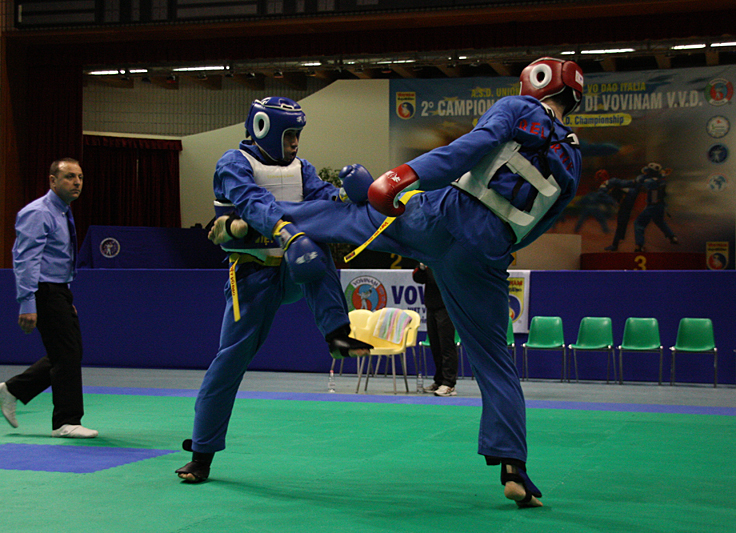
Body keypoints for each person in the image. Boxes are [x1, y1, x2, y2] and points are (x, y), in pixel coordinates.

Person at [212, 57, 584, 507]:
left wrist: (401, 176)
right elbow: (543, 224)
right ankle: (515, 468)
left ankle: (255, 227)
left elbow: (468, 148)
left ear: (535, 84)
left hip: (444, 217)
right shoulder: (575, 159)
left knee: (357, 214)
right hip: (487, 256)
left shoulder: (516, 109)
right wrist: (494, 252)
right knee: (495, 360)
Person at [175, 96, 373, 483]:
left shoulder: (302, 169)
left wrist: (348, 196)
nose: (295, 143)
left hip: (295, 272)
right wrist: (285, 231)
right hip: (253, 275)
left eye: (298, 135)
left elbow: (320, 196)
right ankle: (202, 453)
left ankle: (337, 332)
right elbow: (252, 202)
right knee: (229, 361)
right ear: (264, 129)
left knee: (316, 246)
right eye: (289, 135)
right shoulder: (234, 163)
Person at [0, 157, 98, 439]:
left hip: (58, 290)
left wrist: (64, 296)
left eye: (80, 176)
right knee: (66, 353)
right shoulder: (38, 212)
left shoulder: (63, 211)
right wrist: (28, 302)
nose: (76, 182)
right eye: (69, 177)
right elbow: (25, 259)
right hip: (42, 289)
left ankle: (14, 389)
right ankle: (66, 421)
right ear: (52, 181)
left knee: (68, 351)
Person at [412, 263, 459, 396]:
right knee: (435, 346)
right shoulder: (428, 261)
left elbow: (441, 280)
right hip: (431, 307)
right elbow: (418, 279)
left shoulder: (448, 262)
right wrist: (422, 267)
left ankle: (449, 383)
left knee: (446, 346)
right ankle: (439, 381)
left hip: (446, 308)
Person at [633, 162, 678, 252]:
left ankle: (639, 246)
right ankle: (672, 237)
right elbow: (659, 175)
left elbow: (641, 180)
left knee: (638, 224)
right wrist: (662, 173)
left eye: (648, 171)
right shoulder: (662, 179)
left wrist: (642, 178)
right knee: (659, 221)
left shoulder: (651, 182)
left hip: (652, 206)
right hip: (660, 205)